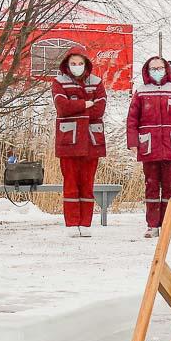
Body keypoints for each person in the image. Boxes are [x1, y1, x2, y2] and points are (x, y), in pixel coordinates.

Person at [127, 55, 171, 237]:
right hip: (149, 145)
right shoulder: (141, 91)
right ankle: (152, 225)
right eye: (153, 68)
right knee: (151, 186)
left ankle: (167, 225)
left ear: (167, 69)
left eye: (160, 67)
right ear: (147, 71)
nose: (157, 71)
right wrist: (133, 142)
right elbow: (132, 120)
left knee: (170, 187)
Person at [52, 45, 107, 237]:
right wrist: (85, 103)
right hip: (69, 140)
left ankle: (86, 223)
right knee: (71, 183)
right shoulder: (59, 82)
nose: (77, 66)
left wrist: (76, 108)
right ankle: (72, 223)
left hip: (92, 141)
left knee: (87, 183)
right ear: (67, 64)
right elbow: (62, 107)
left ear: (86, 64)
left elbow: (99, 110)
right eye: (73, 63)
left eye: (80, 63)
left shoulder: (97, 82)